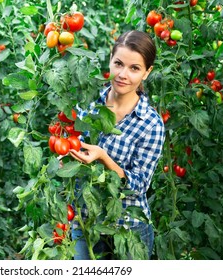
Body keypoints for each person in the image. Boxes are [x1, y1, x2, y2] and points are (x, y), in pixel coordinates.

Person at [69, 30, 165, 259]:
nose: (123, 74)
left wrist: (104, 157)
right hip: (85, 222)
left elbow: (139, 186)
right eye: (118, 63)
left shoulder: (151, 124)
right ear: (110, 60)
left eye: (134, 68)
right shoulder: (88, 106)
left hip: (129, 228)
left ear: (147, 72)